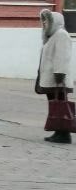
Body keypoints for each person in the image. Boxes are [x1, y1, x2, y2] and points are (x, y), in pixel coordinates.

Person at [38, 9, 73, 144]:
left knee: (61, 106)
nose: (44, 23)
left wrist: (59, 75)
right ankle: (59, 131)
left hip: (58, 79)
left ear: (55, 21)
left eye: (47, 20)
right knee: (55, 106)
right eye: (43, 20)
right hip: (52, 79)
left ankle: (64, 133)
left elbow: (62, 56)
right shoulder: (51, 36)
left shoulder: (61, 34)